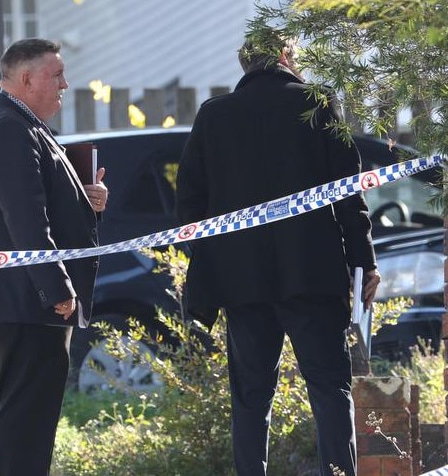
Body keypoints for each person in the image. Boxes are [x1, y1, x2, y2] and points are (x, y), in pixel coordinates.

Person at [176, 32, 381, 476]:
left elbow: (188, 207)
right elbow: (349, 192)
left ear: (245, 65)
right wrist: (364, 261)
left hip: (241, 282)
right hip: (312, 274)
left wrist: (221, 256)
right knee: (330, 390)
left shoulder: (214, 116)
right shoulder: (317, 104)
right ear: (287, 57)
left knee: (251, 398)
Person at [0, 38, 108, 476]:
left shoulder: (22, 123)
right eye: (56, 74)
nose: (65, 83)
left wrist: (85, 199)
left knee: (31, 425)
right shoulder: (8, 126)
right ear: (26, 79)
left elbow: (37, 201)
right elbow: (24, 218)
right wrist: (56, 288)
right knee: (26, 426)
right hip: (25, 301)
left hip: (26, 300)